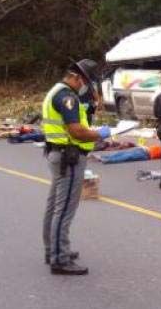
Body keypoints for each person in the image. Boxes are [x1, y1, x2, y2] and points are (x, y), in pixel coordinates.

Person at [42, 59, 111, 275]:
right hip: (68, 157)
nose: (86, 87)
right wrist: (100, 133)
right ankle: (59, 259)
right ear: (77, 77)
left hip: (58, 154)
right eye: (86, 82)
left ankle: (53, 249)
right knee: (64, 209)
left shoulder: (56, 91)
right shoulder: (67, 97)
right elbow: (76, 131)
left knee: (55, 206)